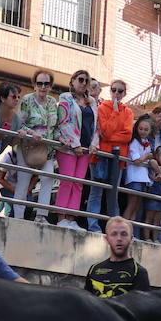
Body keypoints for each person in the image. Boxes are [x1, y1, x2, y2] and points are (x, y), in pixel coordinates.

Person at [54, 69, 97, 229]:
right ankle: (61, 218)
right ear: (72, 81)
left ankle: (72, 219)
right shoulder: (66, 98)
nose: (84, 83)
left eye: (87, 81)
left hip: (86, 149)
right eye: (80, 79)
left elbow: (96, 125)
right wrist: (75, 144)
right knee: (67, 181)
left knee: (78, 183)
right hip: (69, 148)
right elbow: (64, 122)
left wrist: (94, 144)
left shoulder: (92, 101)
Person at [14, 68, 60, 220]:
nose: (43, 86)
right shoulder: (27, 100)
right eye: (40, 83)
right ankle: (18, 218)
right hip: (28, 147)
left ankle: (41, 216)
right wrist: (32, 133)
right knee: (23, 181)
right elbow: (19, 124)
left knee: (47, 178)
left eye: (46, 83)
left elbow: (54, 127)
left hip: (46, 149)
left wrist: (61, 139)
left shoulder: (53, 102)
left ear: (50, 86)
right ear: (34, 84)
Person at [88, 79, 133, 230]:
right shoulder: (102, 108)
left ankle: (115, 230)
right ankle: (93, 226)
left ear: (124, 93)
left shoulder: (128, 112)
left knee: (113, 196)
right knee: (96, 193)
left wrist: (110, 136)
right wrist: (114, 112)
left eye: (120, 91)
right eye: (114, 90)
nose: (116, 93)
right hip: (100, 156)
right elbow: (105, 132)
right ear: (110, 91)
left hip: (117, 159)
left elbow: (127, 136)